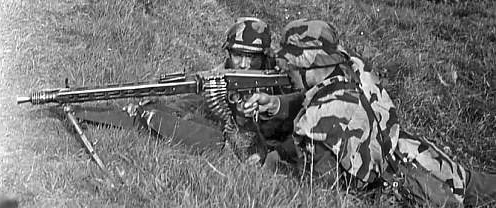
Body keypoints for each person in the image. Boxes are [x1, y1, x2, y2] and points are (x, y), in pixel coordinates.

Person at [240, 19, 496, 206]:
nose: (287, 71)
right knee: (481, 185)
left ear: (309, 63)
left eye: (292, 65)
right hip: (420, 154)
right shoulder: (353, 71)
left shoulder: (318, 119)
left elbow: (320, 190)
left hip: (410, 188)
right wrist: (278, 105)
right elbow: (322, 96)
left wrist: (275, 163)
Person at [73, 17, 295, 163]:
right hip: (233, 146)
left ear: (265, 55)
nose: (245, 64)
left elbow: (301, 116)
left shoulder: (284, 78)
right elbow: (189, 102)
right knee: (158, 114)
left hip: (272, 154)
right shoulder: (219, 78)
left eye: (252, 57)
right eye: (238, 55)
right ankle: (87, 113)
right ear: (228, 53)